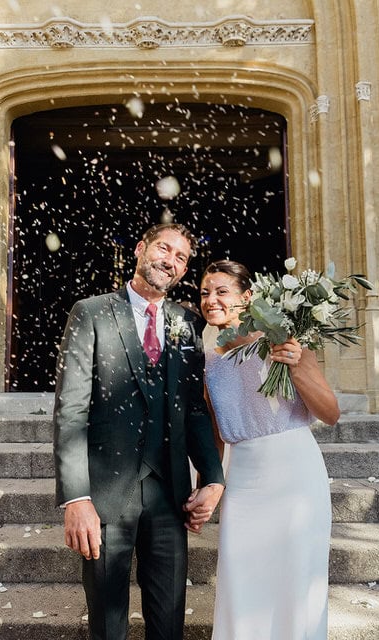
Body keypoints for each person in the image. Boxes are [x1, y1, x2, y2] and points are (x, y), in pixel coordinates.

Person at [53, 223, 225, 640]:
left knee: (169, 622)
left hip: (170, 493)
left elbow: (195, 409)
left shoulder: (186, 320)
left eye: (181, 257)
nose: (170, 260)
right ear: (139, 248)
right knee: (108, 624)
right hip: (106, 494)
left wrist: (214, 477)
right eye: (164, 249)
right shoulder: (90, 312)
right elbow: (70, 409)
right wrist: (76, 498)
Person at [199, 260, 339, 640]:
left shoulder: (284, 342)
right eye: (205, 292)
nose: (211, 300)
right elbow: (214, 429)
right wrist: (207, 484)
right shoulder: (206, 360)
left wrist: (296, 366)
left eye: (221, 291)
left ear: (247, 298)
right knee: (240, 583)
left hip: (294, 470)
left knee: (295, 582)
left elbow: (329, 413)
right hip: (243, 477)